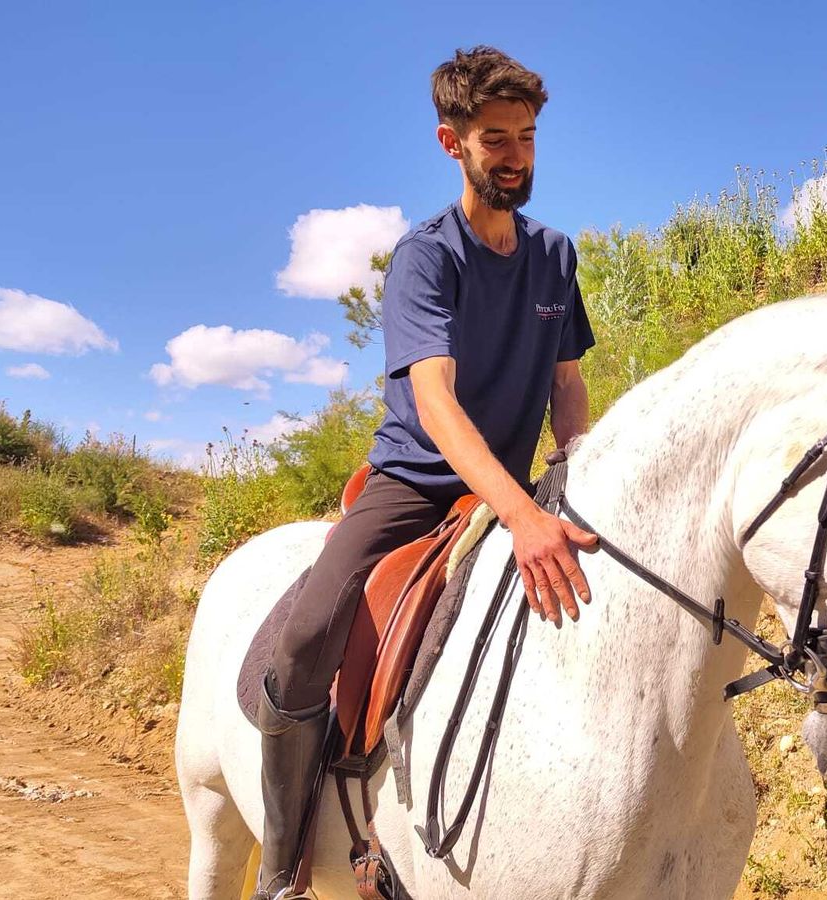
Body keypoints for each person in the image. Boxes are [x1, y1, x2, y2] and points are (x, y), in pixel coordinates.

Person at [251, 46, 598, 899]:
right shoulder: (425, 257)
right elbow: (436, 405)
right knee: (303, 640)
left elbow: (567, 382)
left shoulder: (555, 256)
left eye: (526, 137)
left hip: (517, 481)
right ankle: (282, 866)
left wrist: (572, 466)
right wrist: (518, 513)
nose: (515, 156)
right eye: (494, 140)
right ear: (453, 144)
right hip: (414, 484)